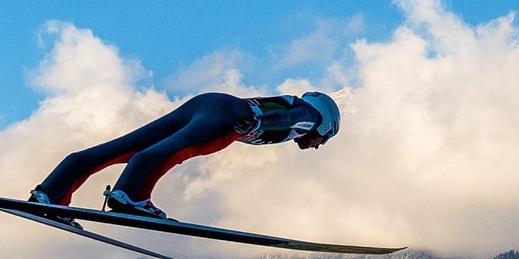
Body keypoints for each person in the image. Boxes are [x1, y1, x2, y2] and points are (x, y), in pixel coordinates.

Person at [29, 91, 340, 220]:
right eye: (323, 141)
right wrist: (258, 122)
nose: (317, 145)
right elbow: (286, 120)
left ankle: (51, 192)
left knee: (123, 147)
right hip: (229, 115)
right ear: (326, 125)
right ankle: (131, 198)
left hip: (207, 103)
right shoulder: (309, 117)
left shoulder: (296, 108)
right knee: (171, 151)